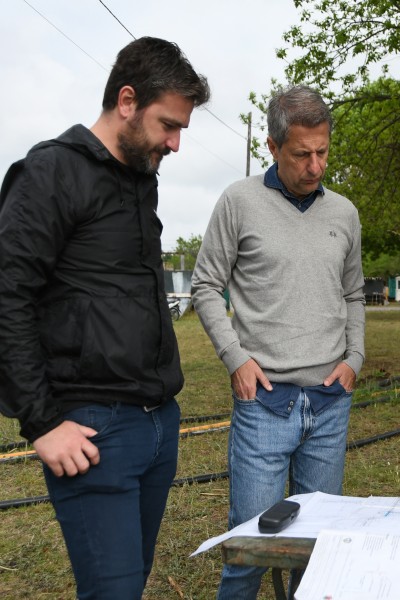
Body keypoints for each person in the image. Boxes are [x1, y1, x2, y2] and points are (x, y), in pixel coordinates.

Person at [0, 37, 210, 598]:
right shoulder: (50, 172)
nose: (176, 142)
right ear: (126, 100)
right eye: (169, 124)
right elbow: (7, 296)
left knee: (129, 586)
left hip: (157, 423)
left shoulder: (143, 177)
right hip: (93, 430)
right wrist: (41, 423)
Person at [191, 85, 365, 599]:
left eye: (324, 152)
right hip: (264, 404)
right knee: (249, 548)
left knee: (315, 552)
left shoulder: (345, 214)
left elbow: (354, 292)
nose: (315, 167)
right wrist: (235, 359)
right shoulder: (238, 202)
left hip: (330, 406)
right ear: (271, 147)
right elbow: (204, 284)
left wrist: (355, 357)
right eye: (301, 154)